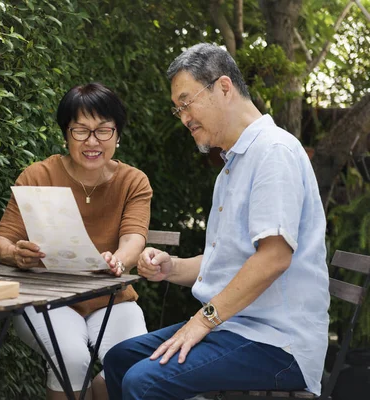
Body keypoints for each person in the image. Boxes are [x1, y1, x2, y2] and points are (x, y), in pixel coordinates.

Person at [104, 43, 330, 399]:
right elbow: (228, 263)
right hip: (236, 328)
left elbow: (273, 258)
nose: (182, 118)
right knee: (119, 359)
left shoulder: (274, 152)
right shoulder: (232, 165)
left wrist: (203, 320)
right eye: (177, 109)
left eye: (185, 102)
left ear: (224, 87)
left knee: (143, 381)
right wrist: (171, 268)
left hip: (279, 344)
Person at [0, 82, 153, 400]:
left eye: (103, 131)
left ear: (117, 135)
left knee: (134, 367)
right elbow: (1, 241)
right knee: (72, 358)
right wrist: (15, 254)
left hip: (112, 299)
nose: (92, 141)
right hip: (47, 301)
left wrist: (118, 260)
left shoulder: (133, 181)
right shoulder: (37, 175)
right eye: (80, 130)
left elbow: (134, 237)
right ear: (66, 134)